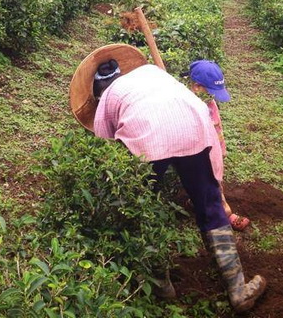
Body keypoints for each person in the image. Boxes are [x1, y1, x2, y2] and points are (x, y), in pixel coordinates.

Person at [90, 54, 266, 313]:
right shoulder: (153, 73)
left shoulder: (108, 95)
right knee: (210, 206)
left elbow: (106, 144)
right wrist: (214, 183)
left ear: (98, 90)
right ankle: (238, 291)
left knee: (142, 206)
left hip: (147, 137)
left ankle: (161, 285)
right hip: (195, 125)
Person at [186, 60, 250, 232]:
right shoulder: (190, 106)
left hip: (212, 153)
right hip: (198, 154)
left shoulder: (210, 104)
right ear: (197, 87)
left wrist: (221, 150)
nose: (212, 96)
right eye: (211, 92)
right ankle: (219, 213)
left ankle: (223, 212)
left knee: (215, 184)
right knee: (208, 185)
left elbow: (217, 128)